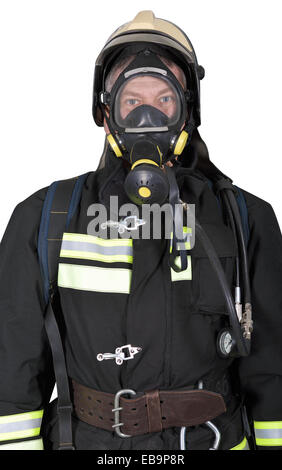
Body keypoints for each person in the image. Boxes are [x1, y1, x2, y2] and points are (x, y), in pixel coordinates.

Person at [0, 10, 282, 451]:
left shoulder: (244, 217)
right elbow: (12, 366)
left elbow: (271, 368)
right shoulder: (45, 216)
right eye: (132, 102)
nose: (147, 116)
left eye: (164, 100)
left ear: (188, 110)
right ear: (106, 112)